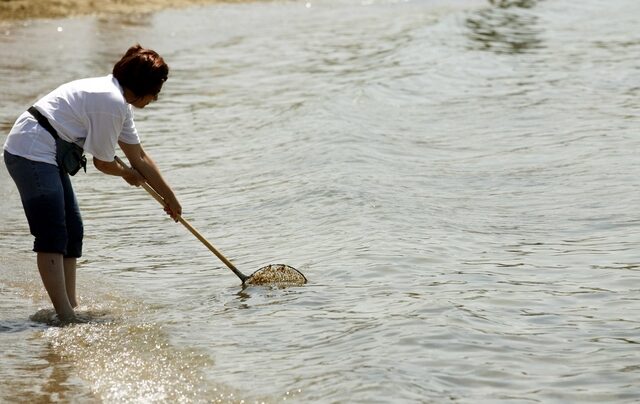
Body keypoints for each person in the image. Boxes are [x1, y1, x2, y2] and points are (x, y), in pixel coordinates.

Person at [3, 44, 182, 323]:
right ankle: (64, 316)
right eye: (157, 89)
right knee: (52, 234)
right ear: (144, 86)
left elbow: (140, 157)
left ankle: (69, 306)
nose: (157, 97)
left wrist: (171, 198)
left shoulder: (120, 105)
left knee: (73, 230)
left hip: (49, 151)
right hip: (30, 150)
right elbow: (104, 163)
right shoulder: (110, 102)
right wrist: (127, 174)